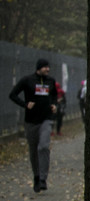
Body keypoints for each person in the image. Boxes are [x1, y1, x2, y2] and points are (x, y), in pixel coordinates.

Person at [8, 58, 58, 192]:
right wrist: (25, 105)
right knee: (33, 151)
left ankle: (43, 179)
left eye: (48, 67)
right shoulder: (27, 80)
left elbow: (54, 96)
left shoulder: (51, 81)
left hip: (46, 119)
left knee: (43, 147)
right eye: (45, 67)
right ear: (39, 68)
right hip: (31, 121)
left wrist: (54, 105)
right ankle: (36, 177)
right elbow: (12, 95)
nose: (48, 69)